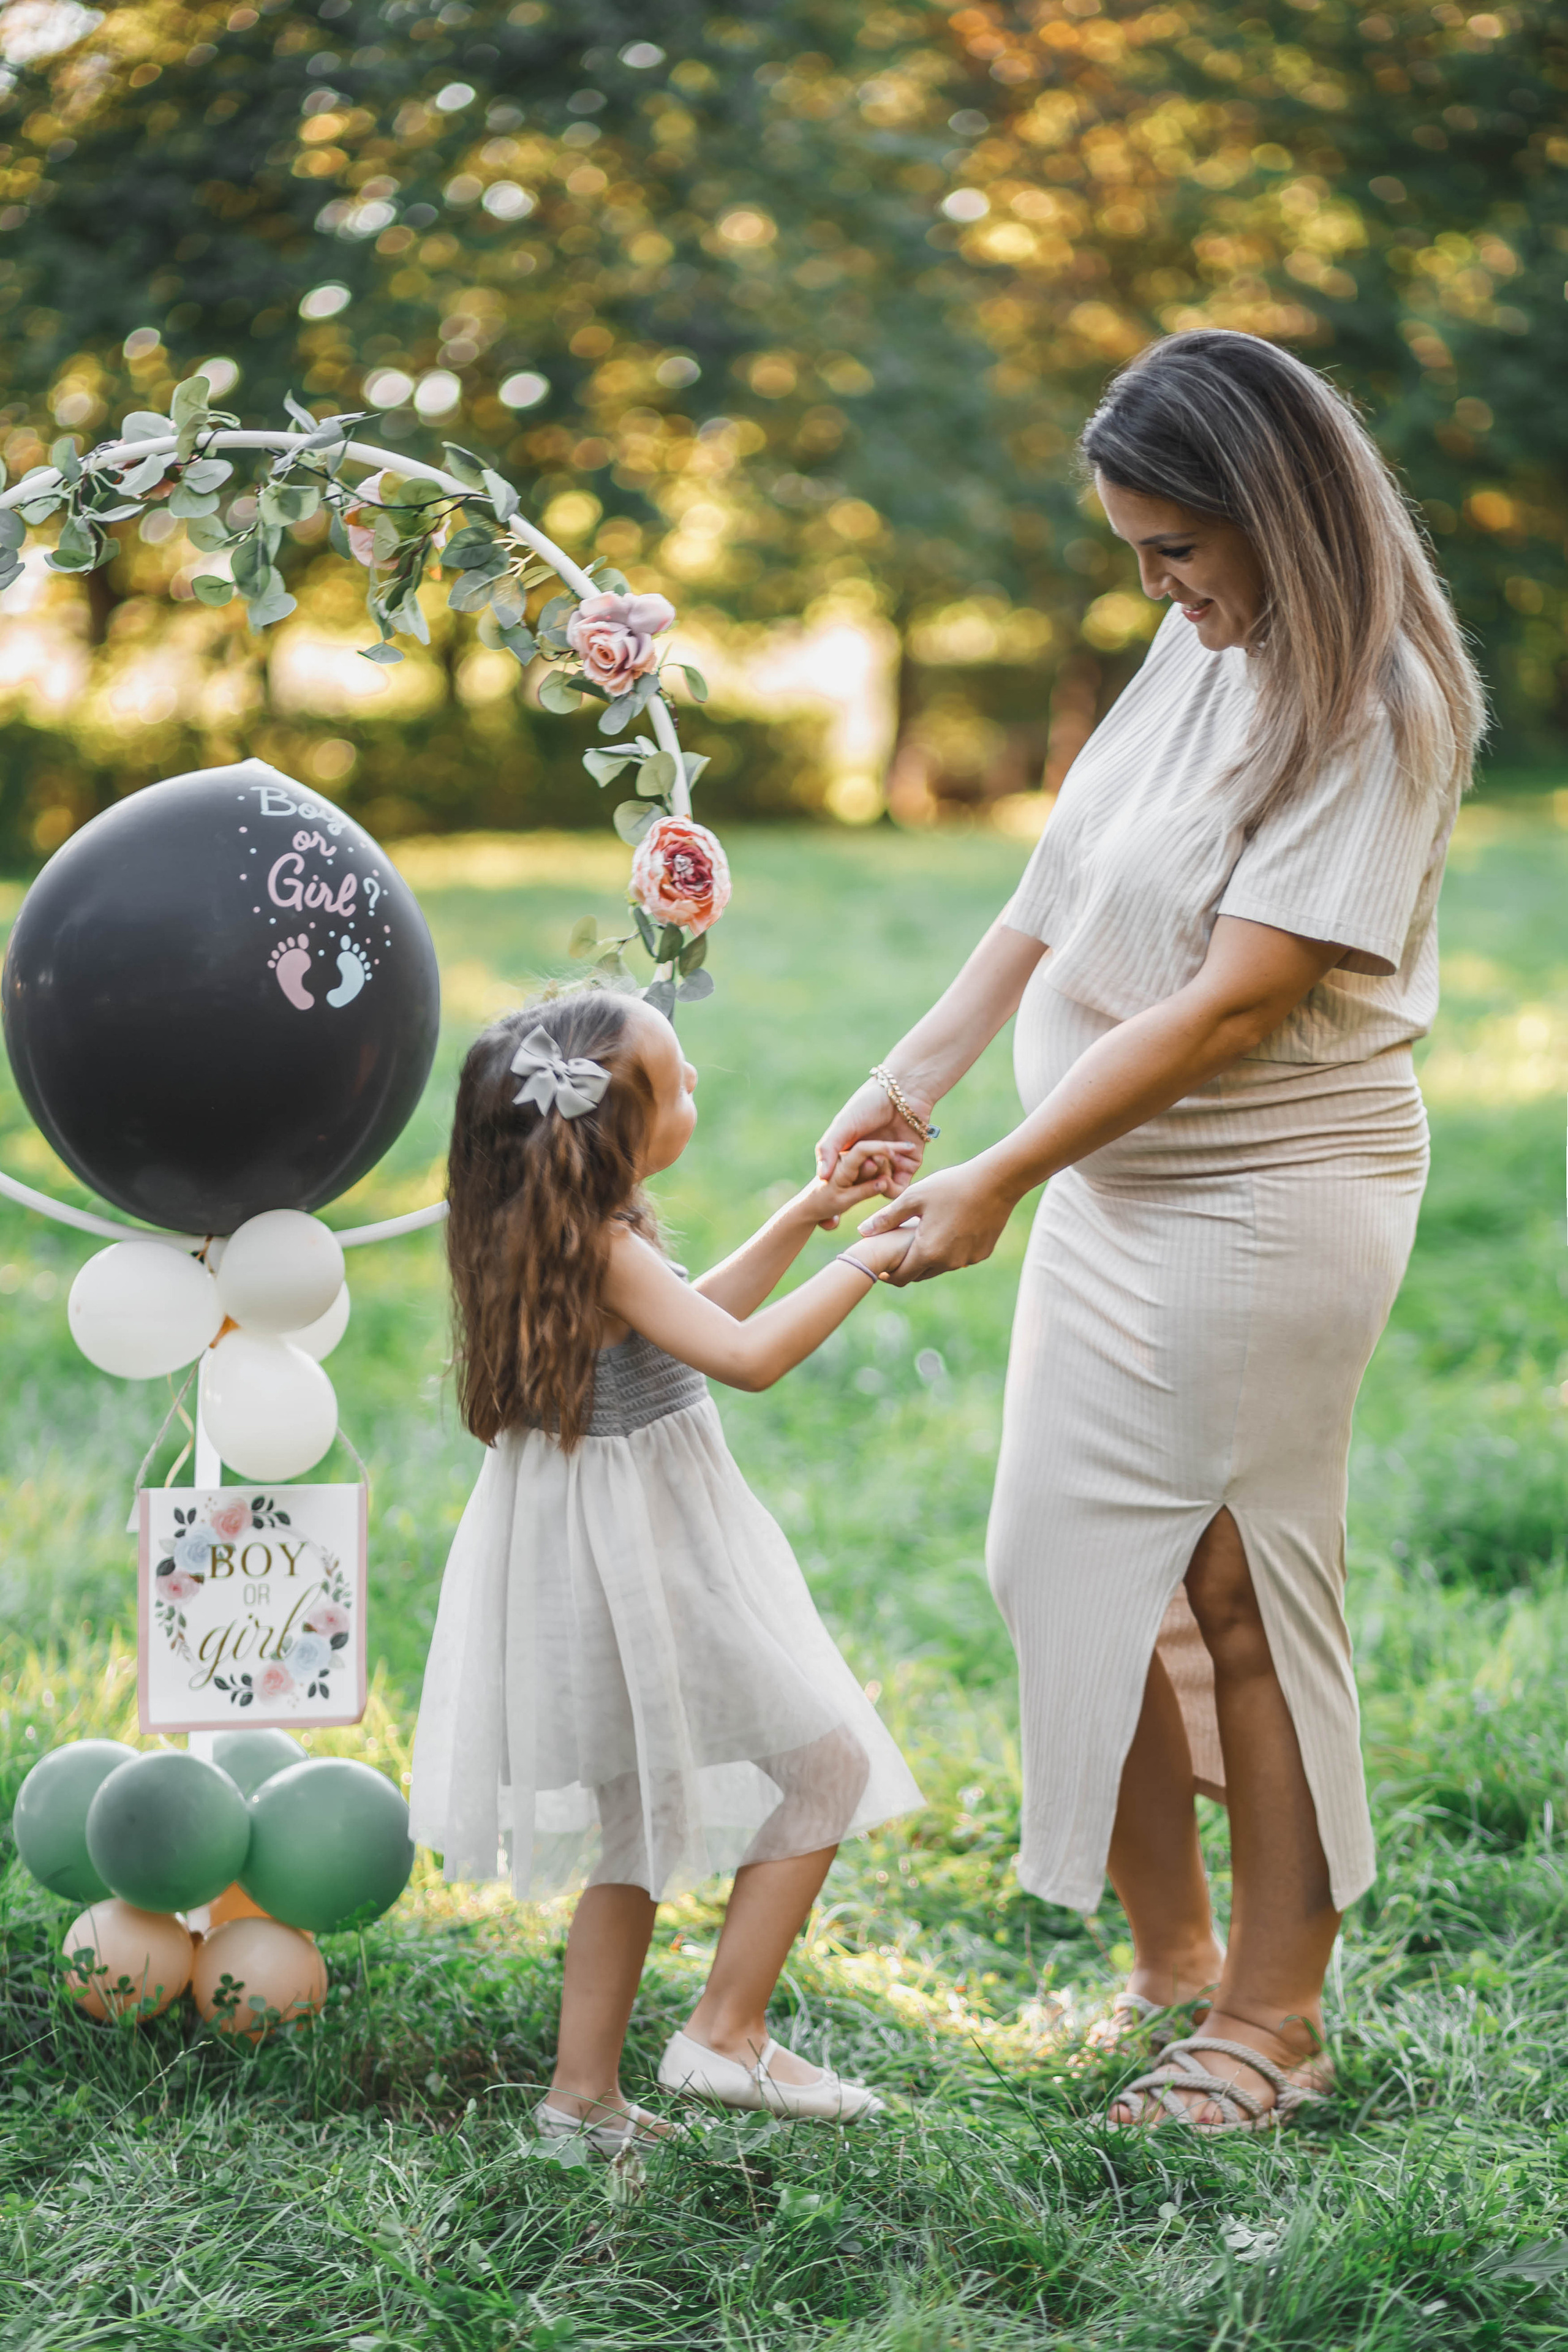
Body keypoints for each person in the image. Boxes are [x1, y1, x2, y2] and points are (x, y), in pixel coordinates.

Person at [819, 329, 1484, 2133]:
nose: (1155, 586)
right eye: (1136, 550)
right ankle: (1170, 1965)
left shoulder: (1382, 707)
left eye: (1176, 547)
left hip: (1268, 1195)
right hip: (1107, 1186)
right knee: (1062, 1565)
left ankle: (1275, 2019)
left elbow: (1223, 1010)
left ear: (1277, 513)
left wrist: (1001, 1176)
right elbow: (1062, 882)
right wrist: (921, 1072)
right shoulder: (1206, 652)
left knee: (1244, 1592)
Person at [410, 986, 922, 2152]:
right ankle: (724, 2034)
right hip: (643, 1556)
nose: (697, 1094)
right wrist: (875, 1261)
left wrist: (808, 1215)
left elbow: (690, 1319)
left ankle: (579, 2102)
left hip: (591, 1551)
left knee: (632, 1829)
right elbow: (741, 1357)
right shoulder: (600, 1247)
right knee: (829, 1764)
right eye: (678, 1084)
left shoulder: (563, 1236)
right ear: (607, 1130)